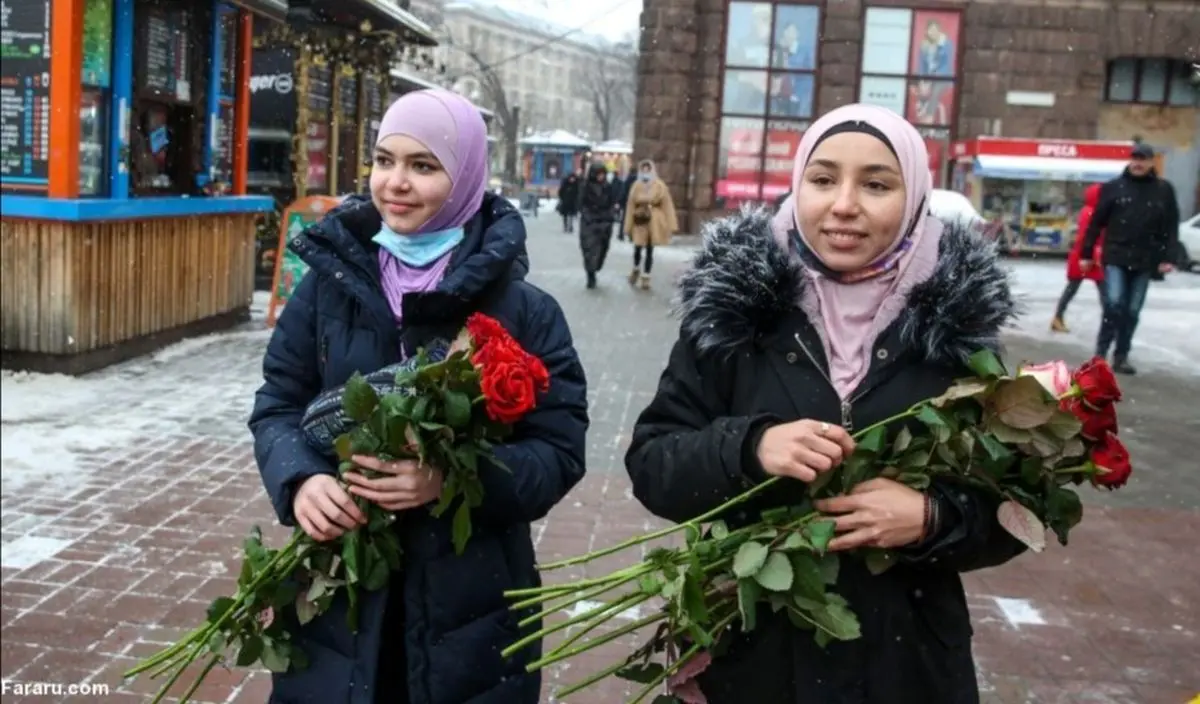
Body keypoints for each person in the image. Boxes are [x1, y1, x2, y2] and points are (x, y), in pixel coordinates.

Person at [625, 103, 1025, 704]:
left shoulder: (959, 331)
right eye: (823, 178)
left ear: (914, 193)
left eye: (876, 184)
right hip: (754, 657)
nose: (843, 204)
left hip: (906, 663)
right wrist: (749, 447)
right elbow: (654, 464)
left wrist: (932, 518)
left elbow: (1018, 504)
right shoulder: (735, 316)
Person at [248, 88, 589, 704]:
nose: (395, 183)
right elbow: (277, 404)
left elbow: (558, 453)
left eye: (423, 166)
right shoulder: (329, 288)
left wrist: (452, 482)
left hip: (471, 608)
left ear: (465, 180)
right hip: (341, 593)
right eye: (384, 160)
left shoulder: (525, 312)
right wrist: (300, 480)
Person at [1079, 142, 1180, 374]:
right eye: (1134, 158)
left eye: (1143, 159)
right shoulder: (1114, 187)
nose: (1137, 163)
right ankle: (1100, 354)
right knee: (1114, 303)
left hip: (1145, 259)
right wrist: (1086, 253)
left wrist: (1169, 257)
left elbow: (1170, 226)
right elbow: (1096, 223)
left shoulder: (1163, 190)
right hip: (1115, 255)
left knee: (1132, 310)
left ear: (1151, 162)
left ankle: (1121, 356)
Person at [1050, 183, 1106, 332]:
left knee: (1073, 288)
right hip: (1087, 256)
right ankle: (1110, 322)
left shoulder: (1088, 211)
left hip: (1084, 255)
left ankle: (1058, 317)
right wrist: (1094, 254)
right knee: (1103, 291)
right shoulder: (1093, 212)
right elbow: (1087, 237)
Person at [622, 159, 679, 290]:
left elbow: (667, 206)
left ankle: (646, 276)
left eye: (648, 170)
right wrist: (627, 225)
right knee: (637, 247)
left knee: (649, 249)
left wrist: (671, 224)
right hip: (639, 220)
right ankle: (636, 268)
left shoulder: (660, 186)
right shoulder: (636, 185)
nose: (646, 172)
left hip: (654, 221)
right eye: (644, 170)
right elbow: (630, 206)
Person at [579, 162, 617, 289]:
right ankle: (590, 275)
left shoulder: (608, 187)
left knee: (602, 249)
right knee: (589, 250)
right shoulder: (586, 187)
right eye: (599, 174)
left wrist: (610, 216)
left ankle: (596, 267)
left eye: (603, 174)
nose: (601, 176)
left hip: (605, 222)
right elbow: (581, 204)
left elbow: (612, 203)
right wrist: (588, 216)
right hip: (589, 223)